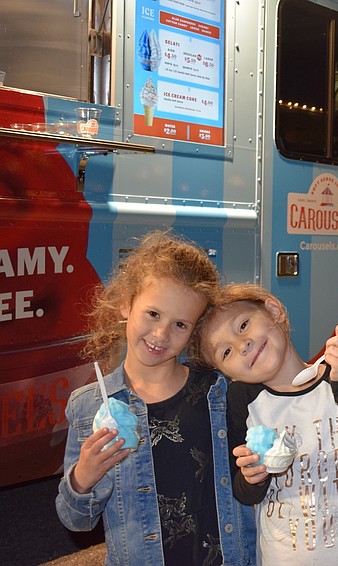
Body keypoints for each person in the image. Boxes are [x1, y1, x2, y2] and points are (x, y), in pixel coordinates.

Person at [55, 230, 256, 565]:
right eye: (153, 314)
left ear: (194, 330)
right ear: (126, 304)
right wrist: (82, 478)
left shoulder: (218, 391)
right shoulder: (89, 405)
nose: (161, 334)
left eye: (180, 324)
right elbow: (76, 520)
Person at [190, 283, 338, 565]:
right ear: (227, 374)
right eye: (226, 352)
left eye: (243, 325)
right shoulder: (243, 402)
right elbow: (242, 491)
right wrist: (251, 477)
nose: (242, 345)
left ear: (274, 312)